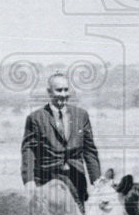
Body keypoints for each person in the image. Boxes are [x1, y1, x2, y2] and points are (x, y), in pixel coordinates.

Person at [21, 72, 101, 205]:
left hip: (76, 181)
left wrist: (97, 181)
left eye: (66, 90)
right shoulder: (36, 118)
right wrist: (29, 181)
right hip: (47, 182)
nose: (63, 94)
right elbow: (28, 151)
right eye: (59, 90)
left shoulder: (81, 115)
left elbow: (89, 151)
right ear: (49, 92)